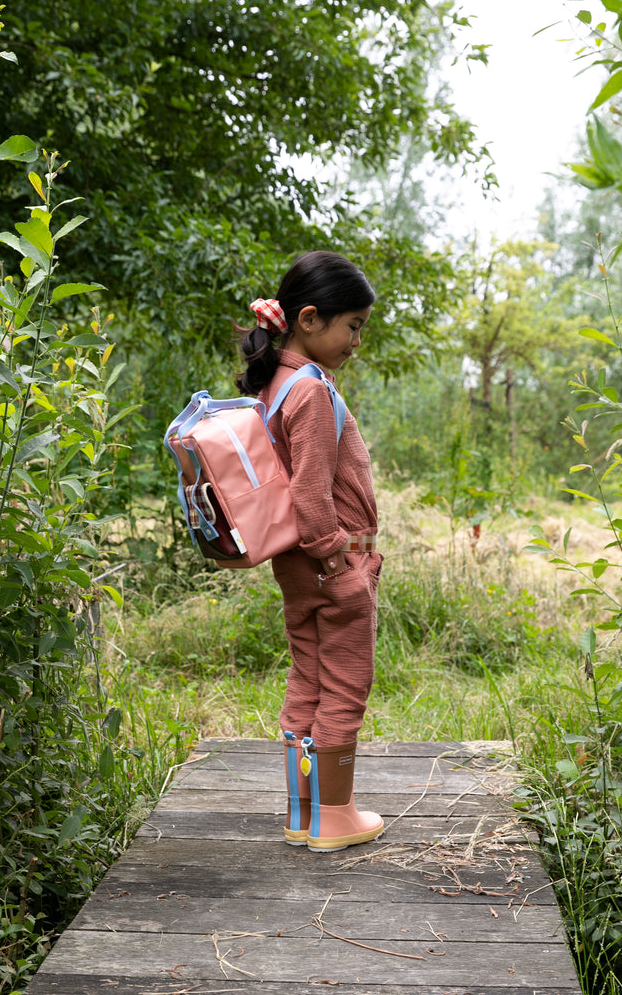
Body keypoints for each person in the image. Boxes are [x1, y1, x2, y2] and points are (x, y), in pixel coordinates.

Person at [236, 250, 384, 852]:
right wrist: (340, 565)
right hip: (329, 563)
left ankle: (304, 812)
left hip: (293, 568)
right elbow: (310, 493)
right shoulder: (311, 393)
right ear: (309, 319)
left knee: (309, 678)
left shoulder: (275, 385)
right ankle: (335, 814)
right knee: (346, 684)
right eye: (352, 326)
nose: (355, 341)